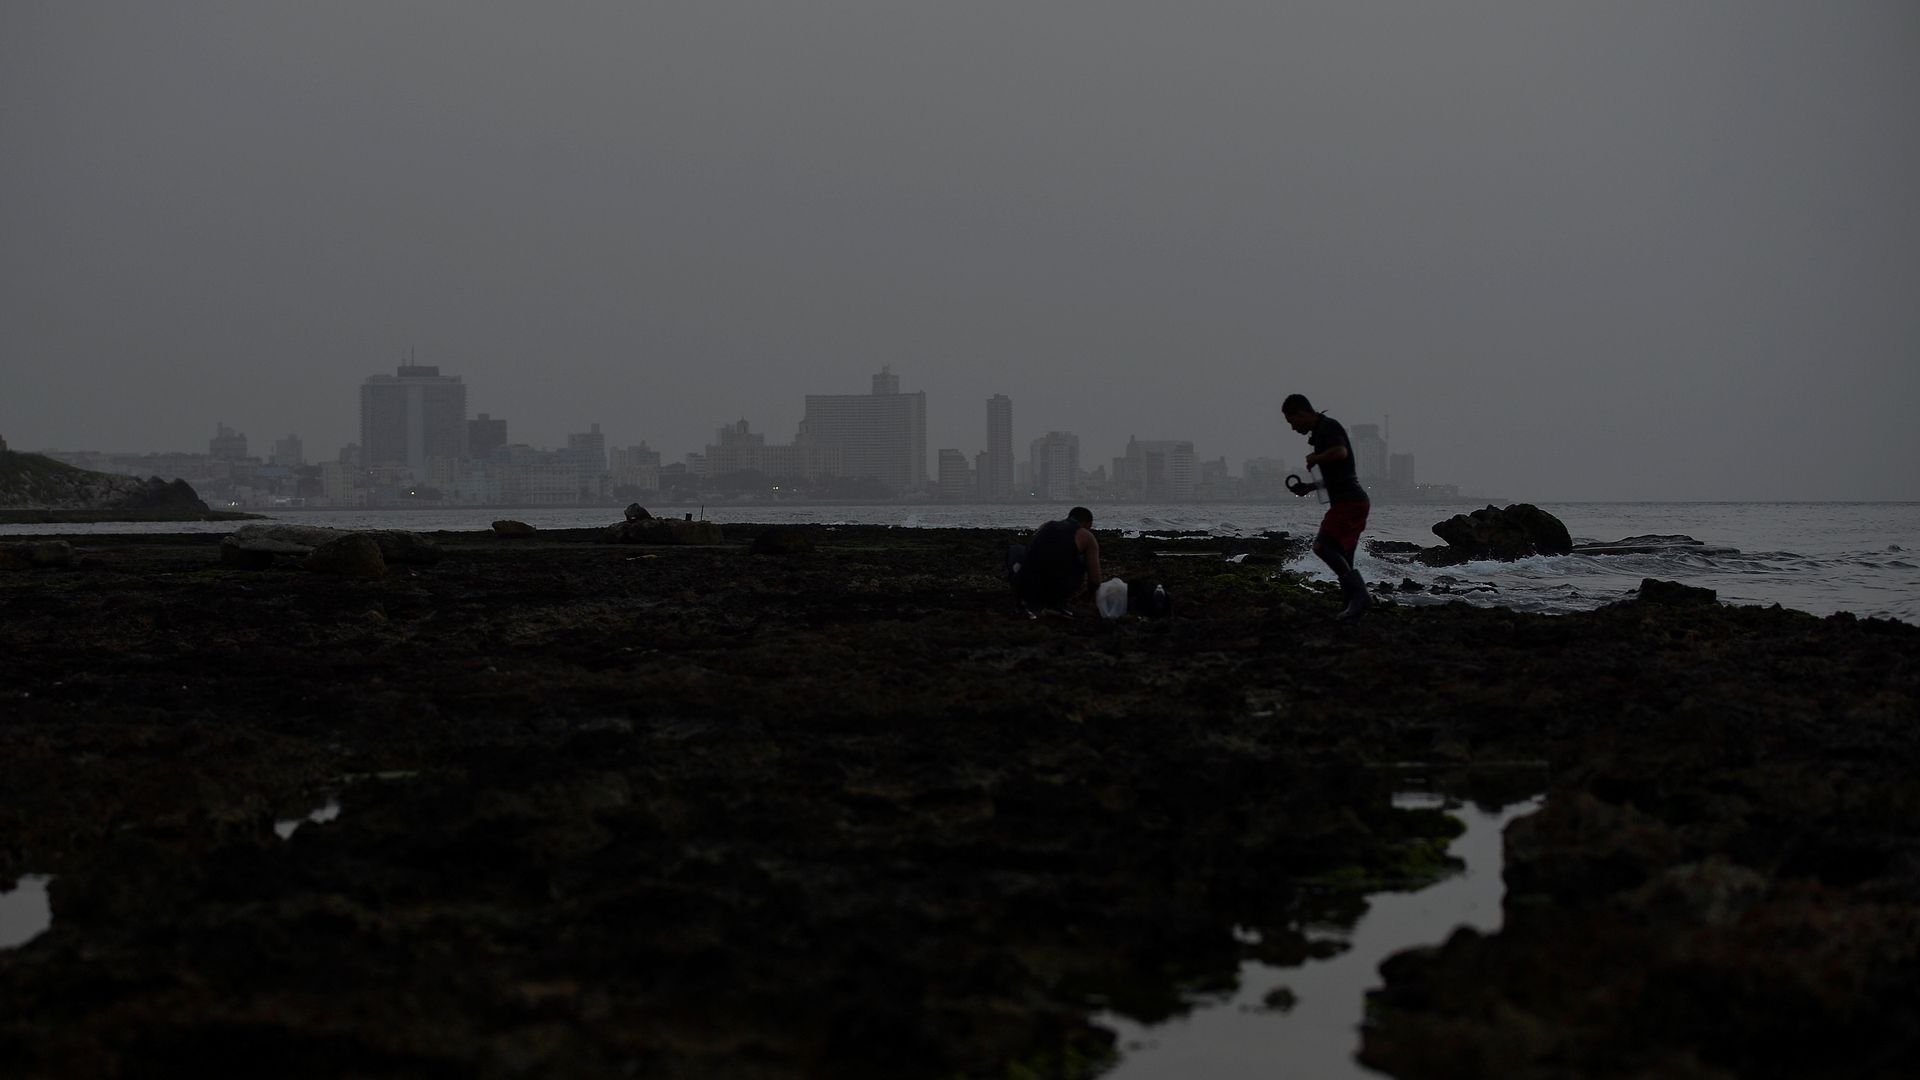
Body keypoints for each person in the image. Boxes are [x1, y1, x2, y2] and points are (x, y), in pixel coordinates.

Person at [1283, 393, 1371, 619]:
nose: (1293, 429)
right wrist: (1310, 487)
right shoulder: (1321, 432)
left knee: (1323, 547)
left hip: (1349, 502)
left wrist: (1317, 458)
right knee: (1345, 555)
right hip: (1352, 500)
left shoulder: (1328, 428)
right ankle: (1351, 605)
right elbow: (1338, 474)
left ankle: (1360, 596)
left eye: (1292, 422)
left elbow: (1340, 453)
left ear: (1302, 413)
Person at [1008, 506, 1103, 616]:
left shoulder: (1046, 526)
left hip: (1025, 587)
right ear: (1087, 524)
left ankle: (1021, 600)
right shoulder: (1086, 536)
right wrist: (1088, 596)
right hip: (1056, 591)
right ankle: (1057, 602)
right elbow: (1095, 581)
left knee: (1016, 549)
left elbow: (1031, 550)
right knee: (1082, 559)